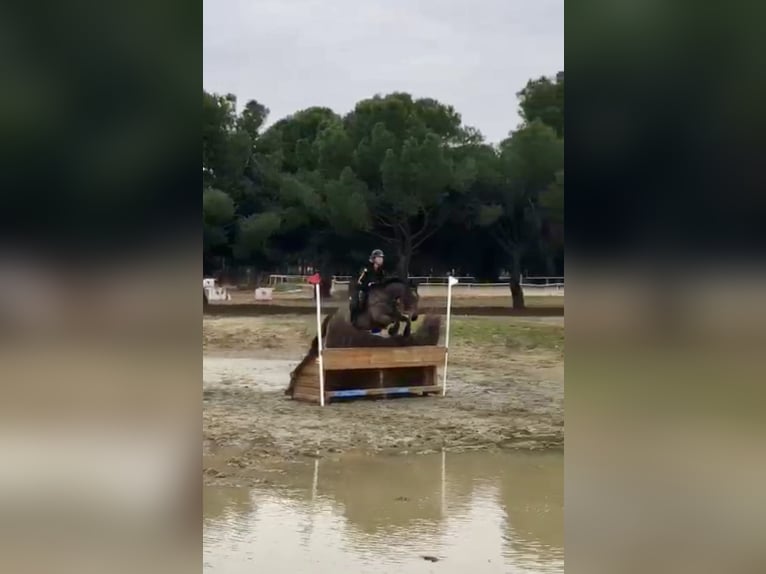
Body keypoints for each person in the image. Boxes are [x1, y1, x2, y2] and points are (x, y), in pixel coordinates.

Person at [351, 249, 386, 320]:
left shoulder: (381, 271)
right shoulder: (366, 269)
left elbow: (383, 281)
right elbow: (360, 281)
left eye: (382, 258)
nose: (381, 260)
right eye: (379, 258)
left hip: (376, 291)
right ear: (374, 259)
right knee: (360, 298)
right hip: (365, 290)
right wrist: (369, 284)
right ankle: (357, 316)